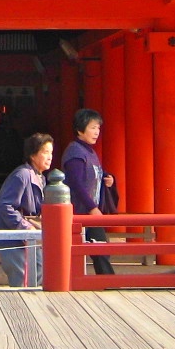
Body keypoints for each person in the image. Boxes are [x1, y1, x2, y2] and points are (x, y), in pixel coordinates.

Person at [59, 108, 116, 275]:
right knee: (91, 250)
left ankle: (108, 282)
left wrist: (108, 178)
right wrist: (92, 207)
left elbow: (95, 174)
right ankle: (105, 282)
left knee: (101, 250)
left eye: (98, 128)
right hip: (81, 211)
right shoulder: (75, 151)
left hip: (90, 211)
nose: (96, 132)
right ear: (79, 129)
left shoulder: (90, 151)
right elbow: (76, 183)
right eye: (92, 127)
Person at [0, 133, 52, 287]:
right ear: (33, 155)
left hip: (28, 235)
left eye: (51, 152)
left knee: (40, 269)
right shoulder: (22, 175)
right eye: (45, 152)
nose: (50, 157)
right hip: (14, 235)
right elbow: (5, 206)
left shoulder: (41, 177)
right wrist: (25, 227)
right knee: (23, 277)